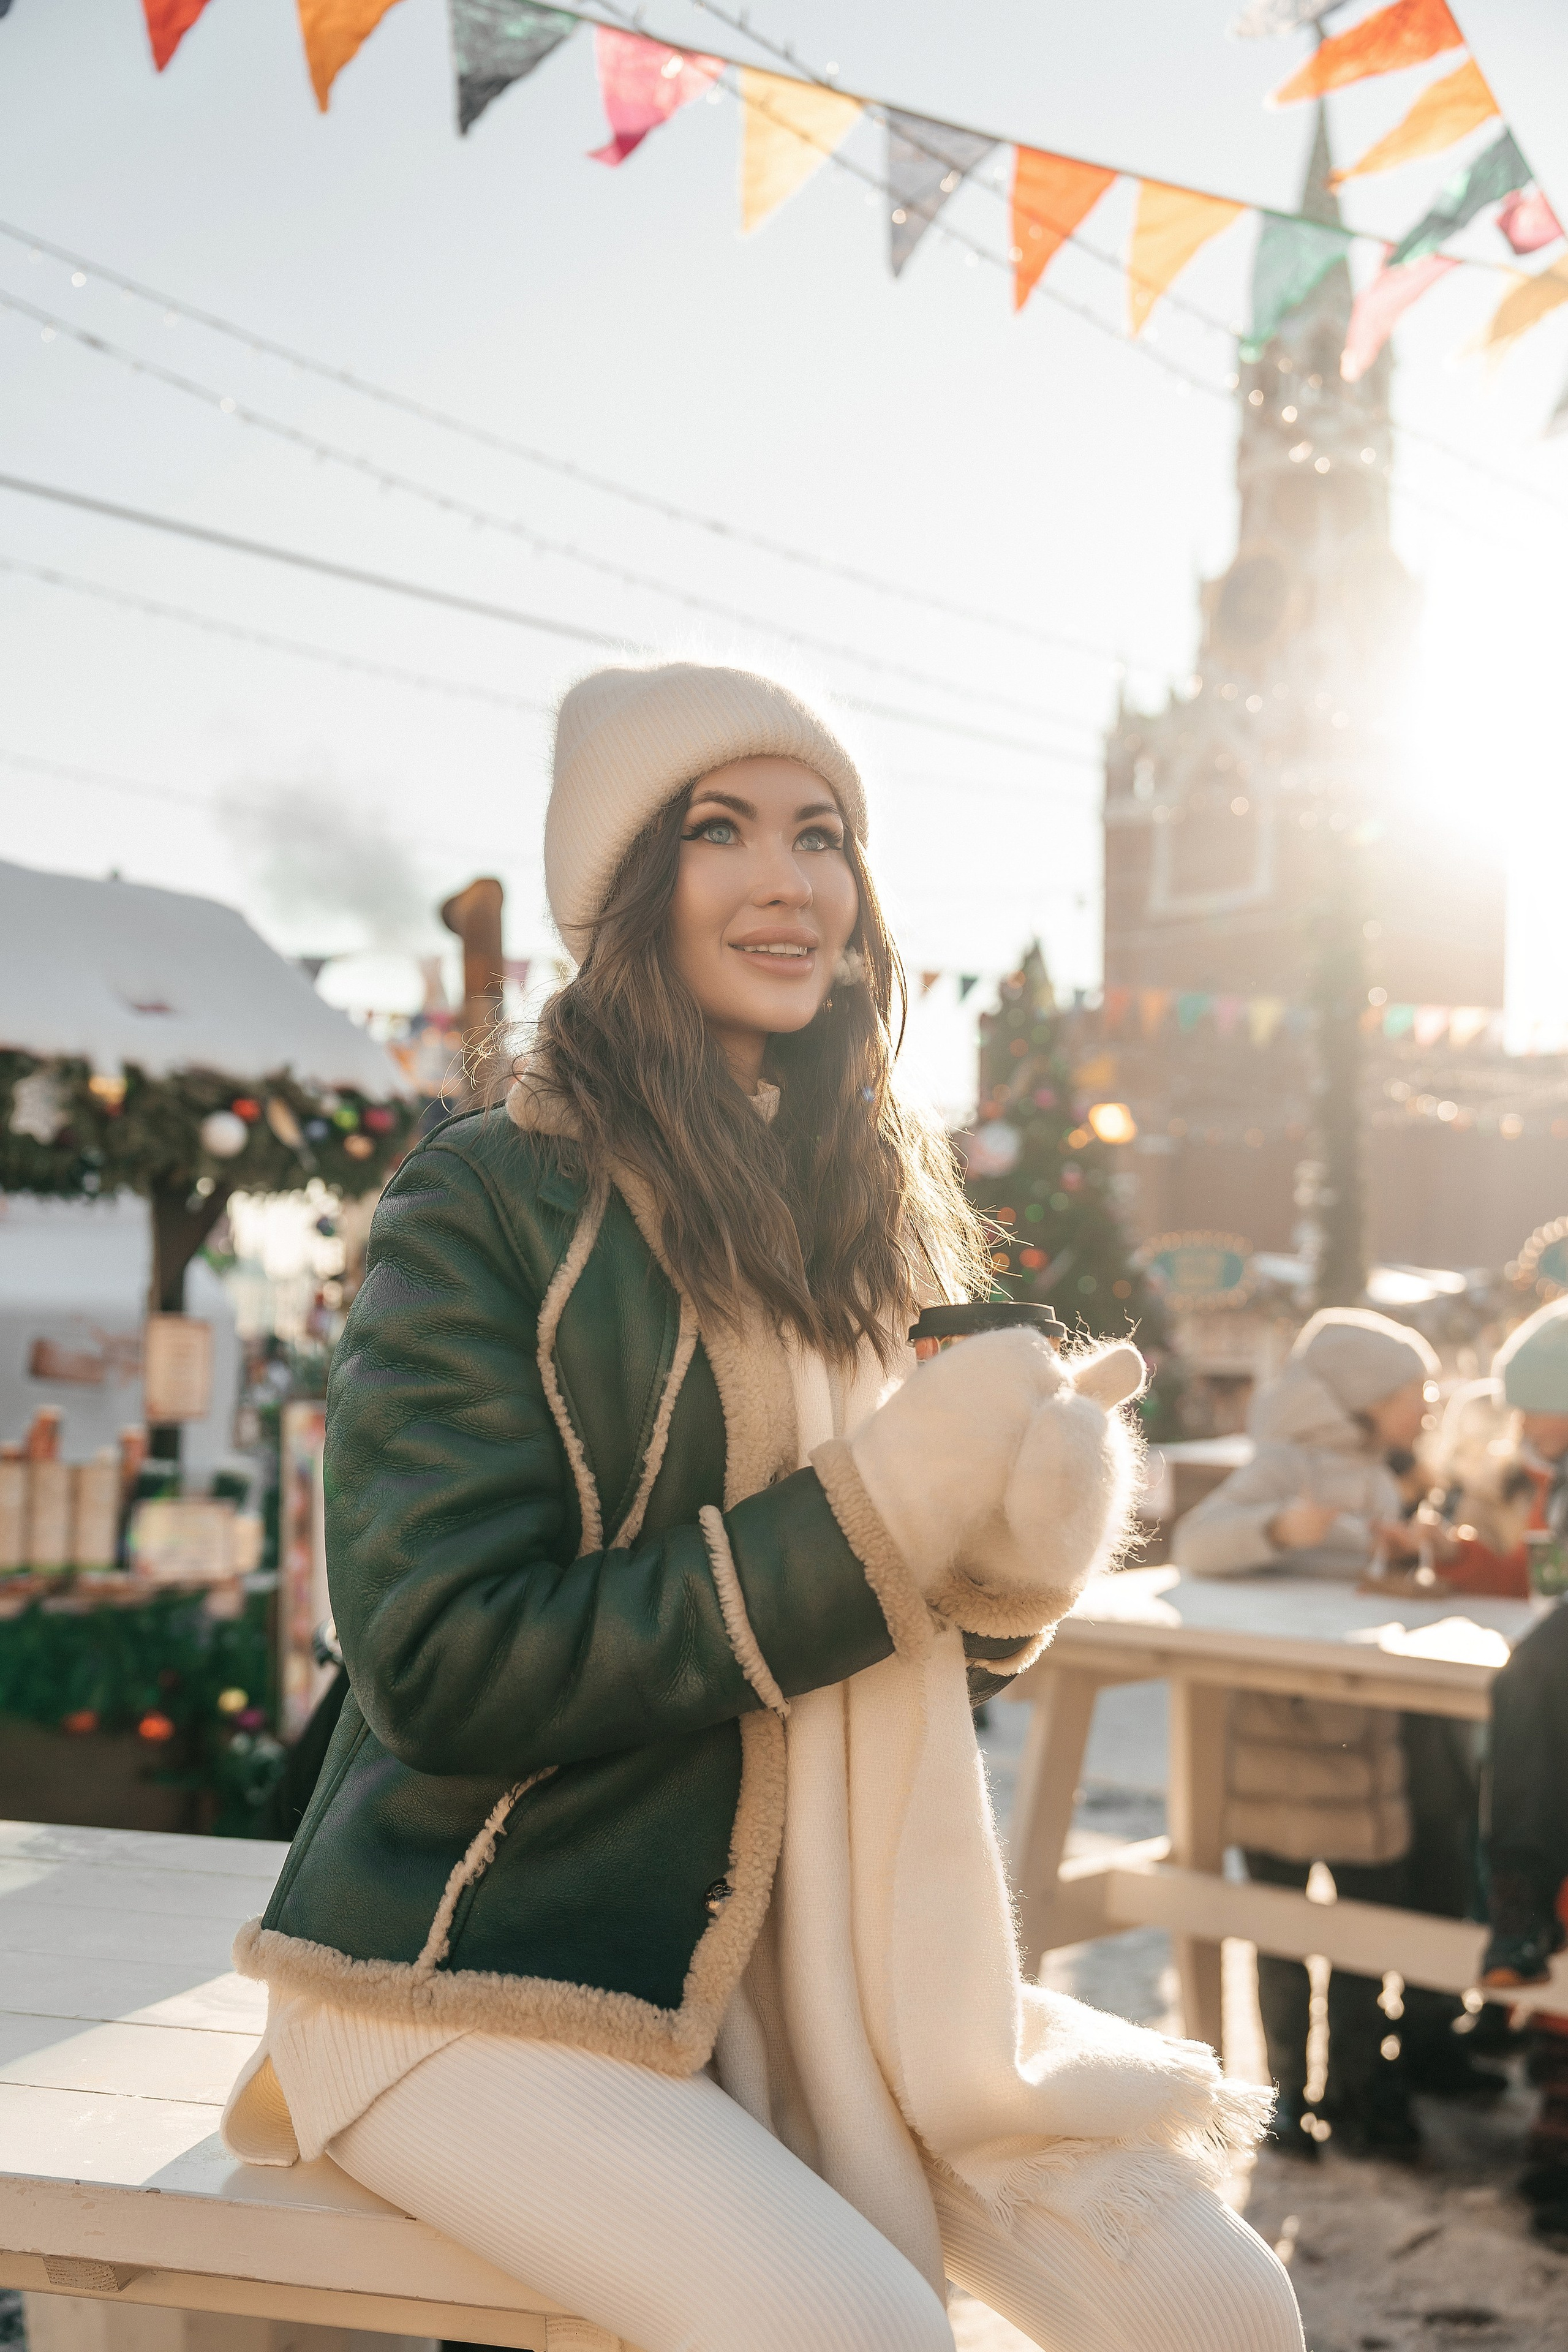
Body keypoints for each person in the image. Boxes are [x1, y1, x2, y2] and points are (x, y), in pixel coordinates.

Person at [220, 662, 1300, 2352]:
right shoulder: (491, 1196)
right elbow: (434, 1661)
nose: (788, 881)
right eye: (719, 831)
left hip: (847, 1975)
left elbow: (883, 1676)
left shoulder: (882, 1214)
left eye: (824, 836)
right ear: (628, 889)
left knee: (1219, 2313)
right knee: (857, 2337)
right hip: (493, 1966)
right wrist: (875, 1511)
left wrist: (1006, 1575)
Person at [1176, 1308, 1494, 2160]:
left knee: (1363, 1929)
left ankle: (1354, 2093)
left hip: (1363, 1747)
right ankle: (1285, 2097)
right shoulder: (1286, 1466)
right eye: (1411, 1393)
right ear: (1361, 1398)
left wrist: (1403, 1550)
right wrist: (1281, 1530)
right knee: (1283, 1929)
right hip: (1283, 1746)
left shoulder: (1379, 1475)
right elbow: (1199, 1543)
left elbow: (1361, 1584)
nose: (1427, 1407)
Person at [1470, 1299, 1568, 2244]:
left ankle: (1519, 1901)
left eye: (1541, 1409)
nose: (1526, 1429)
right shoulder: (1549, 1481)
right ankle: (1555, 2130)